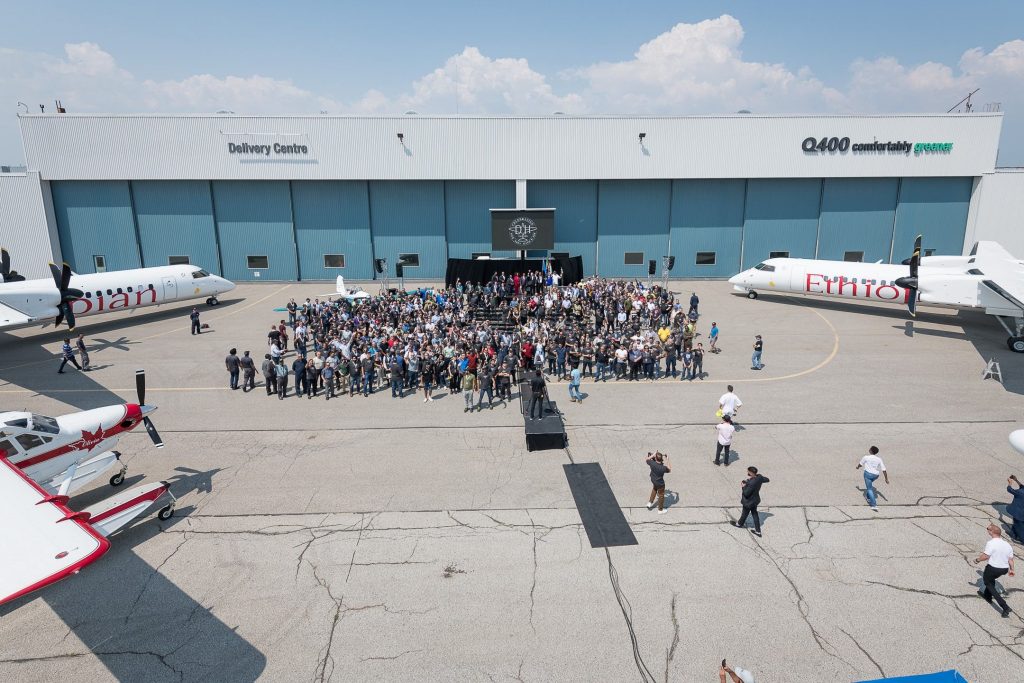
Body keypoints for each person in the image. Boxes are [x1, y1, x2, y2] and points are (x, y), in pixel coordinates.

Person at [974, 523, 1014, 617]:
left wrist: (977, 560)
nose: (987, 530)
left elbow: (986, 556)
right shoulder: (1007, 544)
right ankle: (987, 596)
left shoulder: (991, 543)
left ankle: (1005, 606)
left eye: (988, 529)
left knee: (987, 582)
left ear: (992, 532)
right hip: (1004, 569)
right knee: (990, 580)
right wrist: (1012, 570)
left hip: (993, 568)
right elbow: (1010, 560)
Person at [733, 466, 769, 536]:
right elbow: (767, 480)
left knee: (744, 513)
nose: (748, 473)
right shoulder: (759, 477)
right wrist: (753, 480)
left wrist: (743, 486)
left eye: (748, 472)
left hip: (749, 501)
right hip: (755, 500)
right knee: (755, 514)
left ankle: (739, 524)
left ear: (752, 473)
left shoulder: (751, 484)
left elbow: (746, 494)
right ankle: (758, 531)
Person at [856, 446, 889, 511]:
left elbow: (860, 464)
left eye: (870, 448)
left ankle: (874, 505)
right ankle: (868, 497)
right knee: (869, 485)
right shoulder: (879, 459)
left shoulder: (866, 457)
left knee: (869, 489)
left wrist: (857, 467)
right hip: (876, 475)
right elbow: (884, 470)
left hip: (868, 474)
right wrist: (886, 479)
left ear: (871, 451)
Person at [1006, 476, 1024, 542]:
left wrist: (1010, 483)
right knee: (1015, 523)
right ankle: (1013, 534)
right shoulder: (1022, 491)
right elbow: (1022, 486)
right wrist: (1016, 480)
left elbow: (1009, 489)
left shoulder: (1021, 493)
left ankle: (1022, 540)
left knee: (1019, 526)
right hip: (1020, 513)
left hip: (1019, 513)